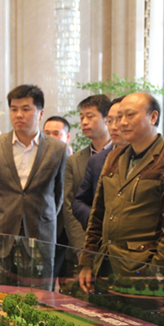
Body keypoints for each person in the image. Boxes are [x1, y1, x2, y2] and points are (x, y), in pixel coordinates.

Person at [78, 92, 164, 292]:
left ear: (153, 117)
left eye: (130, 115)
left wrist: (156, 271)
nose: (122, 123)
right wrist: (87, 261)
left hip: (142, 272)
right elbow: (98, 215)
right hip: (104, 266)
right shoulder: (114, 157)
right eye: (118, 117)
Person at [0, 84, 68, 290]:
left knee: (38, 297)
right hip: (1, 232)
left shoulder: (58, 149)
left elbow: (59, 194)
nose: (19, 115)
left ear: (40, 113)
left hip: (40, 234)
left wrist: (41, 215)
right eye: (14, 109)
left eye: (26, 109)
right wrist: (4, 211)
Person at [63, 95, 112, 273]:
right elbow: (69, 207)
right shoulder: (74, 160)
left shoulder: (124, 154)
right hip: (80, 249)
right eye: (82, 117)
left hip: (115, 252)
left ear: (107, 119)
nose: (84, 122)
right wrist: (82, 250)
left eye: (90, 117)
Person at [72, 96, 127, 229]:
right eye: (110, 121)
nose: (114, 127)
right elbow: (78, 202)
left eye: (119, 119)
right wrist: (97, 222)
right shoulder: (97, 160)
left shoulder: (157, 159)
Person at [42, 116, 75, 286]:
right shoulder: (38, 164)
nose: (51, 138)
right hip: (47, 231)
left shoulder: (77, 162)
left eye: (56, 133)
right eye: (47, 133)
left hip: (70, 234)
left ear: (67, 137)